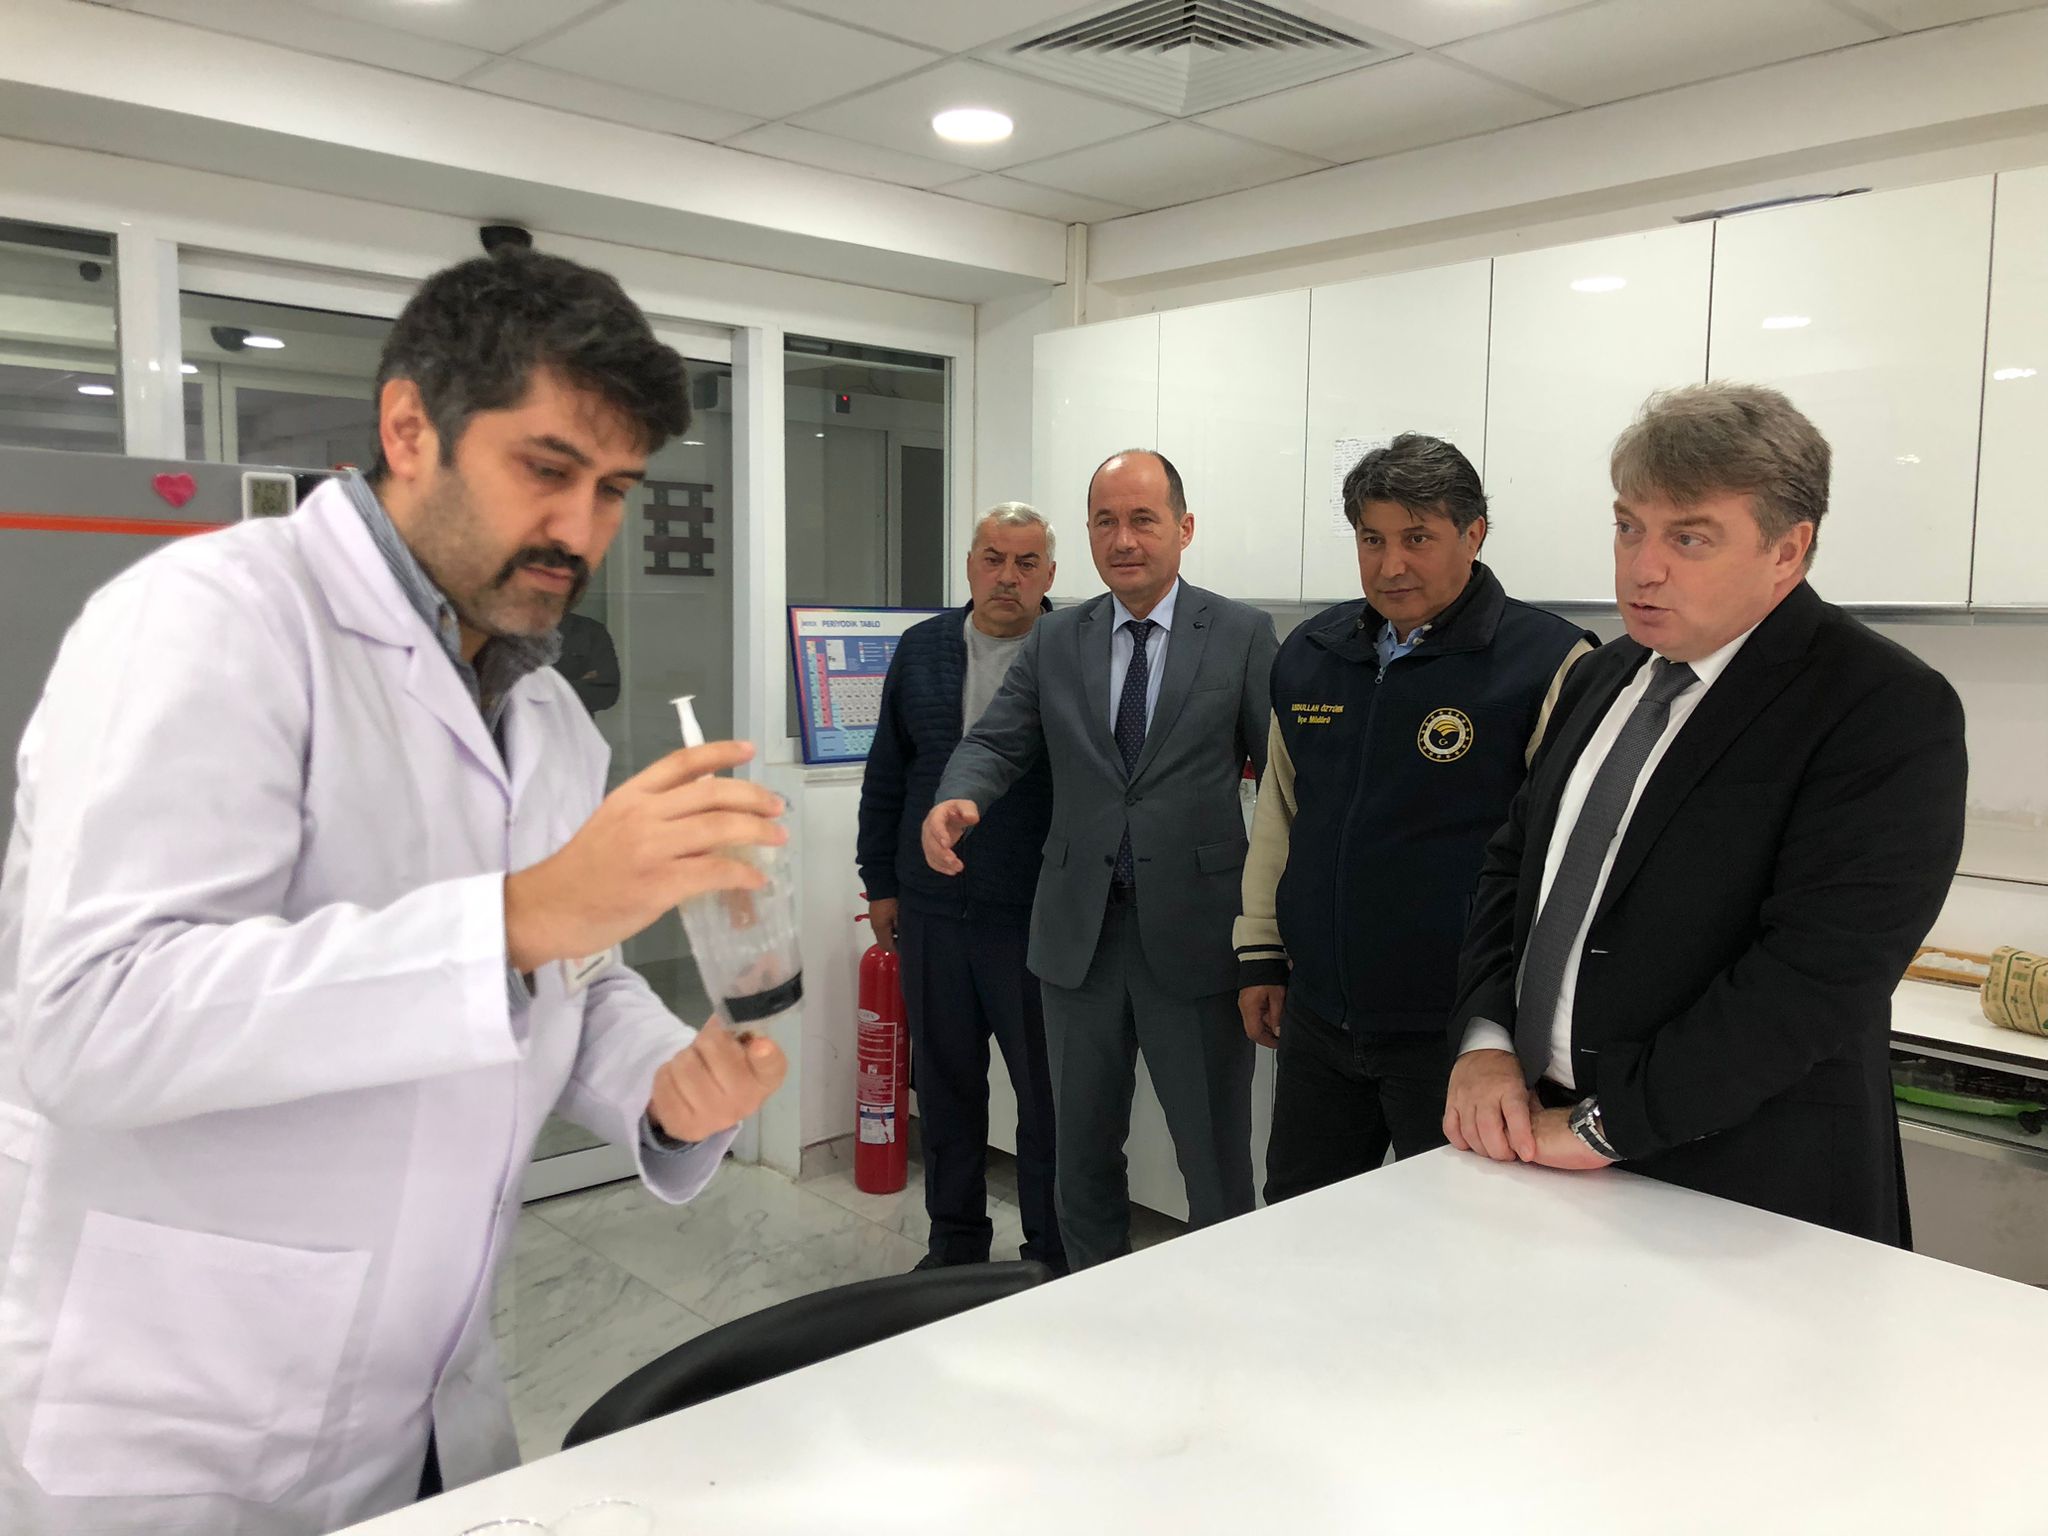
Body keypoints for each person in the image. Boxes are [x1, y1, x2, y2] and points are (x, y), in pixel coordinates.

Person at [0, 250, 789, 1535]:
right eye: (546, 469)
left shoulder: (544, 710)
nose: (582, 531)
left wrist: (662, 1081)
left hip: (422, 1391)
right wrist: (523, 913)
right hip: (178, 1411)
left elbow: (568, 976)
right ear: (410, 427)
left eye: (613, 489)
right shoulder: (210, 620)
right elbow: (90, 1019)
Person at [1443, 383, 1967, 1244]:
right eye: (1628, 527)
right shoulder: (1600, 675)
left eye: (1689, 537)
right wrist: (1487, 1039)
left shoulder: (1880, 706)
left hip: (1747, 1186)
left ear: (1787, 550)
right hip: (1539, 1143)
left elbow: (1814, 977)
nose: (1642, 567)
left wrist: (1607, 1126)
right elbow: (1515, 867)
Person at [923, 450, 1277, 1270]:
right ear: (1087, 533)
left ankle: (1226, 1312)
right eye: (1106, 522)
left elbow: (1287, 784)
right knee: (1078, 1157)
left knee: (1214, 1162)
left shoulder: (1240, 634)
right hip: (1077, 941)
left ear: (1184, 528)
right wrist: (958, 797)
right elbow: (996, 741)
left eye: (1143, 519)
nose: (1124, 540)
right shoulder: (1057, 637)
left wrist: (1277, 934)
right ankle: (1091, 1307)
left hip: (1196, 939)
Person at [1235, 434, 1593, 1202]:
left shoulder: (1549, 662)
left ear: (1474, 533)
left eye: (1417, 538)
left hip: (1458, 1036)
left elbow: (1564, 863)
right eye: (1372, 539)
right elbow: (1281, 815)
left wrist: (1506, 1027)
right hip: (1319, 1018)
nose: (1390, 564)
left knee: (1461, 1237)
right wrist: (1261, 953)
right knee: (1300, 1225)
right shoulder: (1312, 654)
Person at [857, 503, 1065, 1274]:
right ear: (970, 564)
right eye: (993, 559)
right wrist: (880, 883)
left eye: (1026, 563)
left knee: (1046, 1096)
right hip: (932, 910)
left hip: (1034, 916)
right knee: (945, 1089)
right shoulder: (923, 649)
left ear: (1050, 574)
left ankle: (1050, 1250)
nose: (1008, 577)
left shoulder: (1074, 651)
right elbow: (888, 772)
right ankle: (955, 1247)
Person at [554, 607, 622, 713]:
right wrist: (576, 685)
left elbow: (607, 693)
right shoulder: (524, 632)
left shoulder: (590, 630)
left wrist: (541, 690)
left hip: (574, 722)